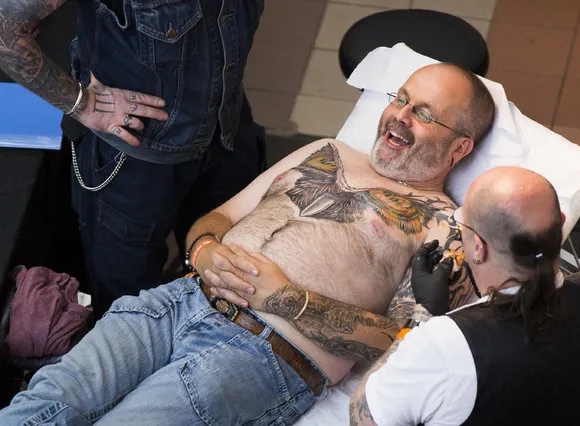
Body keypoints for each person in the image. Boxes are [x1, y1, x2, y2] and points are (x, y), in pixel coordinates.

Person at [0, 63, 495, 425]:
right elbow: (220, 217)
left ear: (460, 148)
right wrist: (204, 250)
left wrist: (287, 300)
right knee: (39, 408)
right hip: (174, 304)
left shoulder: (444, 226)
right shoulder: (327, 150)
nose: (400, 115)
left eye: (424, 113)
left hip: (259, 357)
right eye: (400, 97)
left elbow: (402, 346)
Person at [0, 0, 267, 316]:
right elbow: (6, 27)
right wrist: (80, 104)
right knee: (131, 305)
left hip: (228, 132)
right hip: (133, 162)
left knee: (230, 282)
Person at [350, 166, 580, 426]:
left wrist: (423, 314)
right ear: (560, 223)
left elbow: (362, 418)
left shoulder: (444, 344)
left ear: (478, 247)